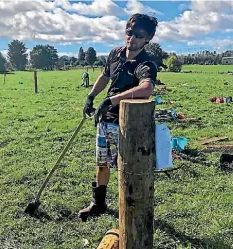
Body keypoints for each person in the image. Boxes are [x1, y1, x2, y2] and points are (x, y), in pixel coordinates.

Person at [79, 13, 158, 221]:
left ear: (147, 39)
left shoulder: (146, 63)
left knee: (127, 167)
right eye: (129, 32)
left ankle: (132, 208)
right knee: (102, 162)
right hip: (105, 121)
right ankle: (98, 204)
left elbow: (146, 88)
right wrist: (91, 96)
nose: (131, 38)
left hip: (127, 124)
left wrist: (112, 100)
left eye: (138, 35)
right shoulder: (115, 53)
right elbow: (105, 76)